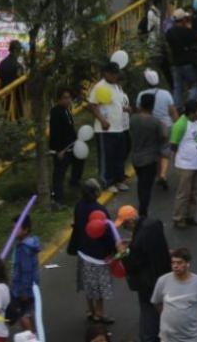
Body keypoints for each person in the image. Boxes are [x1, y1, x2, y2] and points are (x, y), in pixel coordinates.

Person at [69, 179, 117, 324]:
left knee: (88, 285)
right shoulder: (100, 210)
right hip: (98, 255)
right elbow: (107, 233)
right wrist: (113, 251)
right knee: (99, 288)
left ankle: (90, 310)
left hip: (83, 251)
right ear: (95, 192)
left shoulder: (79, 206)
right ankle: (99, 314)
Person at [124, 209, 171, 342]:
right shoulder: (154, 224)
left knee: (148, 312)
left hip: (147, 283)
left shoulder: (139, 238)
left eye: (125, 225)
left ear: (131, 221)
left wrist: (123, 252)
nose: (124, 228)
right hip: (162, 277)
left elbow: (132, 262)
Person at [152, 248, 197, 342]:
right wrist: (169, 316)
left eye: (179, 263)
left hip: (192, 338)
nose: (175, 266)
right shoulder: (162, 281)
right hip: (168, 337)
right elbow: (157, 303)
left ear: (188, 264)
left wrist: (189, 318)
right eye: (173, 263)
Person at [89, 62, 131, 191]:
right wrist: (102, 120)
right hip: (106, 129)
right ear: (105, 73)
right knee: (107, 157)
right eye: (112, 74)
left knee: (119, 155)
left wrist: (125, 109)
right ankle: (107, 182)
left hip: (119, 127)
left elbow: (115, 104)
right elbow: (92, 105)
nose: (115, 76)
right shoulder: (100, 87)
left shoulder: (117, 86)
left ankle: (119, 180)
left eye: (116, 74)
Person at [130, 92, 166, 218]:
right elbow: (163, 138)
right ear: (152, 105)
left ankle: (142, 206)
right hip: (150, 159)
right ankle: (143, 210)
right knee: (147, 186)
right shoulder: (155, 122)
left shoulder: (133, 119)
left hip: (136, 157)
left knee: (141, 183)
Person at [170, 99, 197, 229]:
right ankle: (178, 218)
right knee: (183, 193)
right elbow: (173, 145)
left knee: (193, 193)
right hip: (185, 166)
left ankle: (190, 216)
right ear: (192, 112)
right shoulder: (180, 124)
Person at [49, 88, 83, 208]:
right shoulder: (56, 112)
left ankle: (74, 183)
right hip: (61, 149)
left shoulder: (66, 110)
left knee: (79, 162)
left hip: (71, 146)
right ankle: (57, 199)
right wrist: (59, 150)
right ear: (58, 99)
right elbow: (56, 132)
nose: (68, 100)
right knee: (59, 174)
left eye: (69, 97)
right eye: (65, 98)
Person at [8, 214, 40, 333]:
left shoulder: (24, 248)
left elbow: (26, 271)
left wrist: (24, 291)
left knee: (23, 316)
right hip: (29, 288)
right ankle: (34, 336)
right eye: (12, 228)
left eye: (16, 228)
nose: (13, 231)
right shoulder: (29, 244)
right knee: (29, 314)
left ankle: (31, 338)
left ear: (26, 229)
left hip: (23, 290)